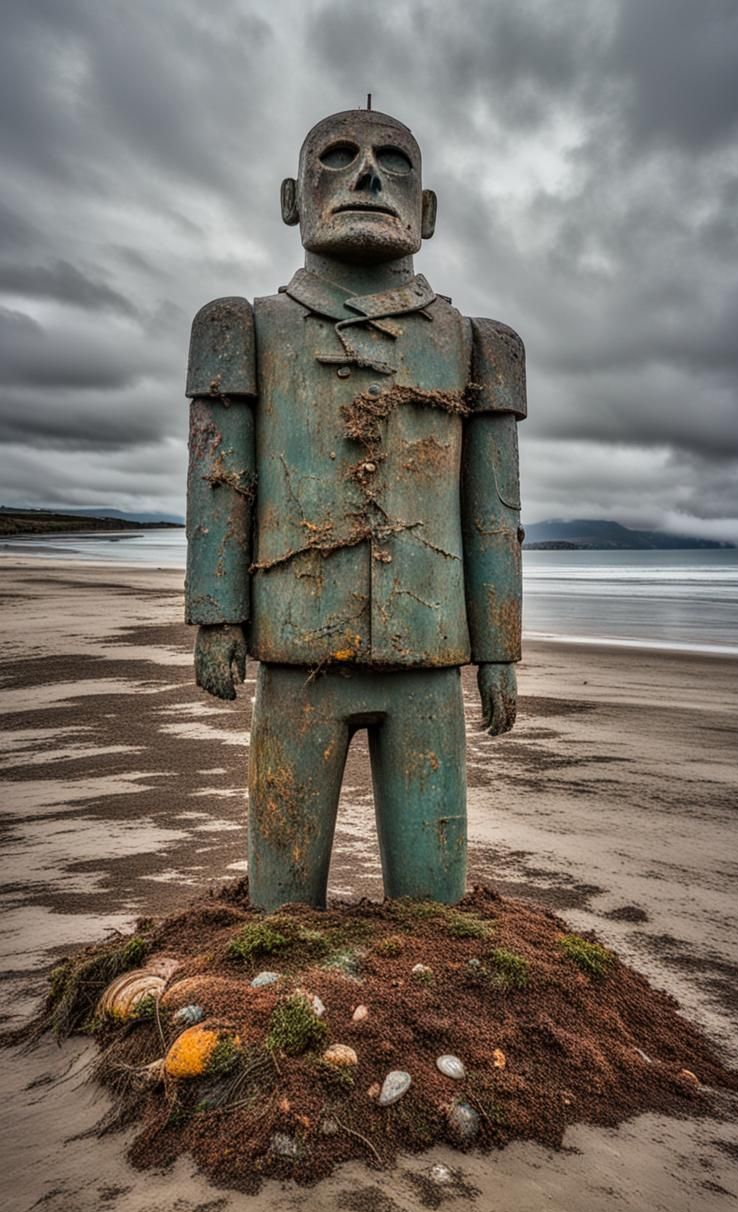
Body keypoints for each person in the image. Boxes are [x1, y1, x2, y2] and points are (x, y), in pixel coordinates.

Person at [185, 107, 526, 911]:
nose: (368, 175)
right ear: (291, 200)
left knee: (437, 902)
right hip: (297, 653)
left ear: (428, 213)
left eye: (393, 162)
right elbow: (219, 483)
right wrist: (216, 619)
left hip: (429, 659)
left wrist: (500, 652)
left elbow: (493, 510)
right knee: (280, 896)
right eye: (339, 158)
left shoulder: (479, 344)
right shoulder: (244, 327)